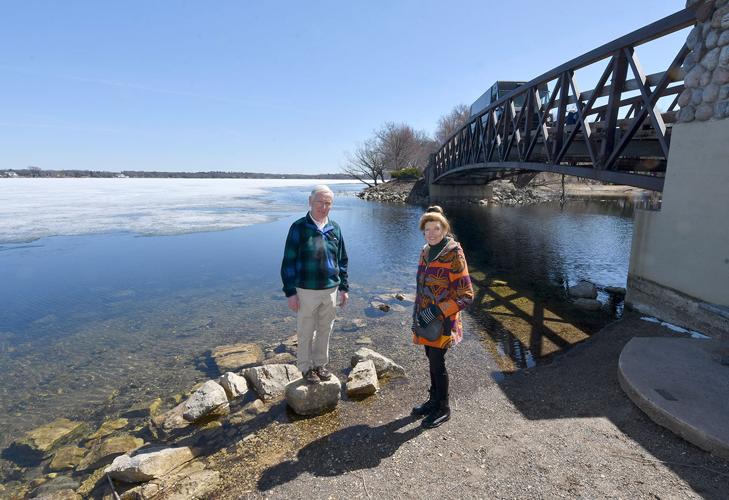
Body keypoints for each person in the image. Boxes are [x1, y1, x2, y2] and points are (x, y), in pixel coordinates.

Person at [411, 206, 473, 428]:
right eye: (427, 229)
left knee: (438, 363)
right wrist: (417, 317)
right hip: (424, 318)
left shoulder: (454, 253)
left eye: (436, 228)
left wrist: (438, 310)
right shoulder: (426, 250)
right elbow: (421, 289)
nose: (432, 233)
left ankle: (444, 408)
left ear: (444, 228)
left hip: (443, 321)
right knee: (431, 359)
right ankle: (433, 400)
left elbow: (466, 295)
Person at [281, 185, 349, 384]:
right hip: (306, 290)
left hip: (331, 289)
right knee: (305, 331)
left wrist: (344, 287)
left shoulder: (334, 228)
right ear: (310, 202)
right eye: (320, 202)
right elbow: (288, 262)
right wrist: (290, 292)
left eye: (328, 203)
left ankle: (320, 364)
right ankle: (305, 367)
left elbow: (342, 260)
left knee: (325, 329)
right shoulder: (299, 227)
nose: (323, 206)